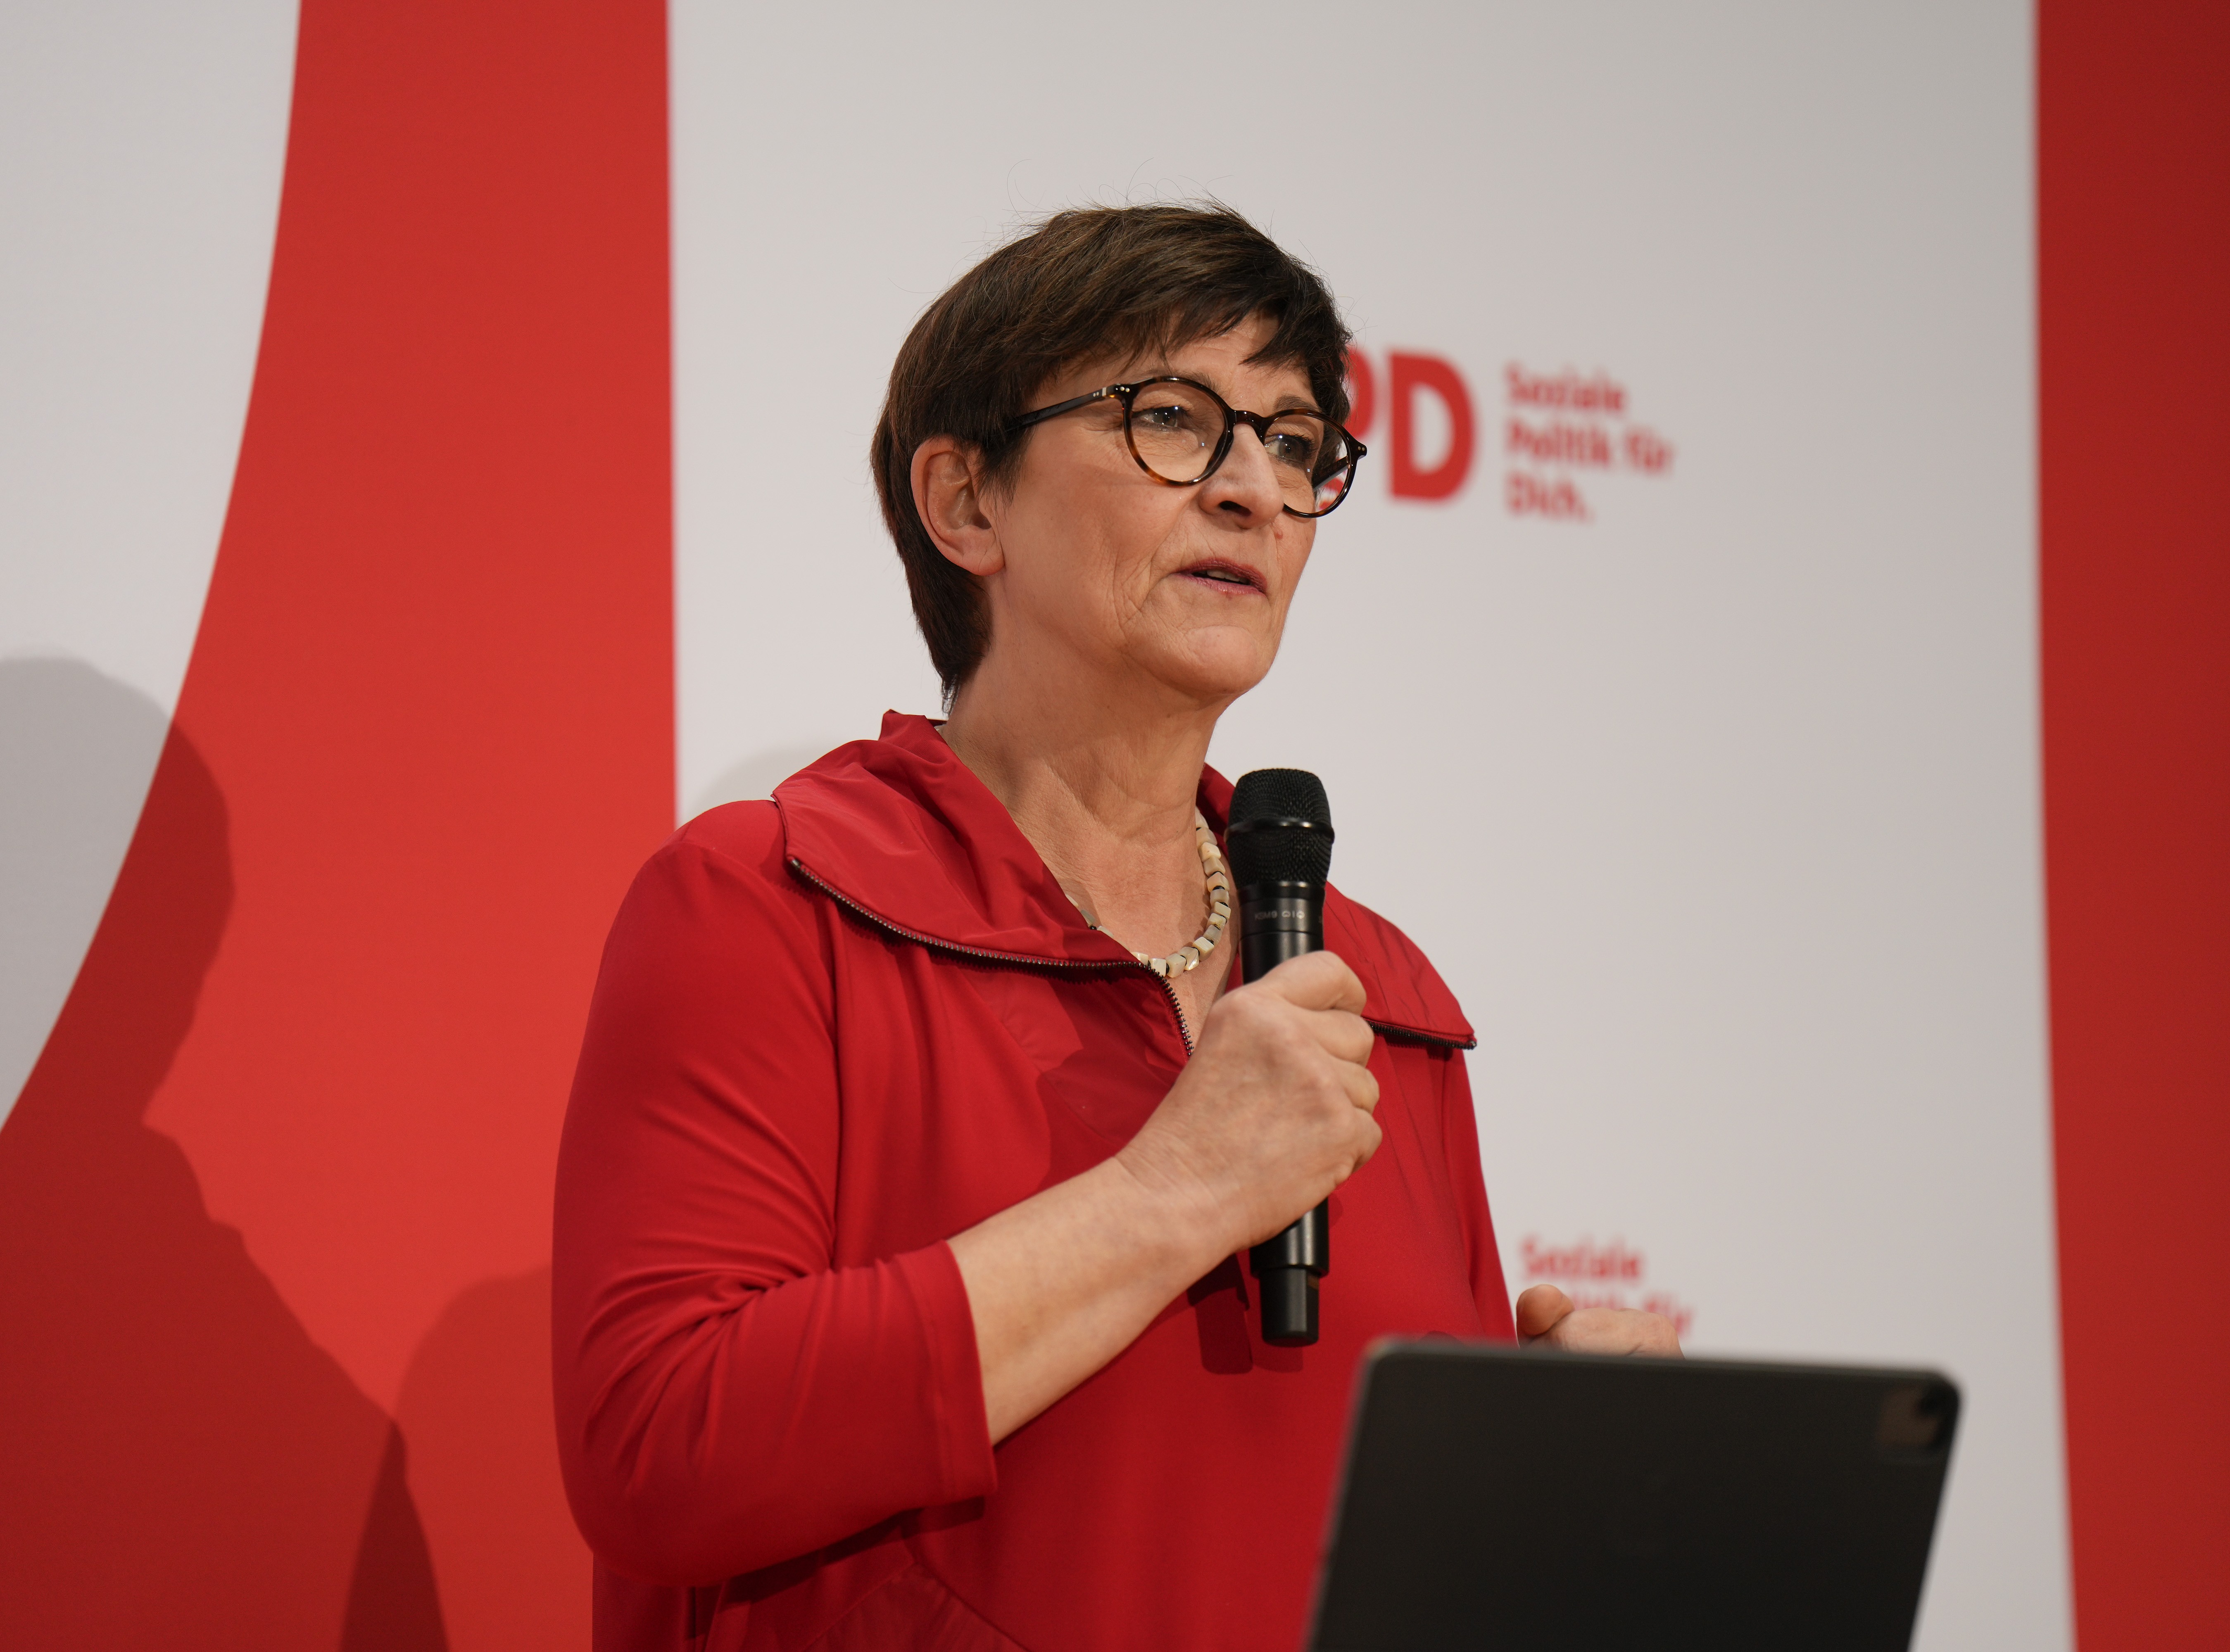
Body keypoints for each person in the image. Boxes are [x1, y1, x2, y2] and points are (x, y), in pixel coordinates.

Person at [552, 202, 1677, 1652]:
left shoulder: (1373, 991)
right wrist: (1171, 1195)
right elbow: (661, 1443)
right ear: (967, 503)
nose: (1256, 490)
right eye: (1174, 420)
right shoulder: (773, 901)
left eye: (1295, 443)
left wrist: (1540, 1458)